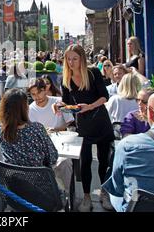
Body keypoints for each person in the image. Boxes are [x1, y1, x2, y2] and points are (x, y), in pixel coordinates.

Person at [102, 90, 154, 212]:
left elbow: (117, 188)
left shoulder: (127, 145)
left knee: (114, 195)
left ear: (150, 114)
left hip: (139, 207)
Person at [52, 45, 114, 212]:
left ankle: (104, 193)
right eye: (68, 59)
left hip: (100, 120)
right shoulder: (66, 78)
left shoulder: (93, 72)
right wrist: (59, 105)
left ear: (82, 59)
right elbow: (66, 102)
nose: (71, 62)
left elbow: (104, 96)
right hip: (83, 124)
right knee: (85, 162)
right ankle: (87, 197)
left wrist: (90, 106)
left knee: (104, 161)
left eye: (75, 59)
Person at [28, 78, 74, 193]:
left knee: (65, 162)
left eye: (38, 93)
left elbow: (71, 123)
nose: (36, 97)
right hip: (40, 149)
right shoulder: (30, 109)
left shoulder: (58, 102)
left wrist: (56, 129)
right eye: (33, 94)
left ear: (45, 90)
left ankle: (66, 195)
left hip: (61, 144)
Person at [0, 88, 58, 168]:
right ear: (25, 107)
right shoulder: (36, 129)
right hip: (38, 179)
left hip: (11, 179)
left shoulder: (0, 130)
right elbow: (53, 157)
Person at [105, 73, 141, 138]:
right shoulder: (141, 101)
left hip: (118, 135)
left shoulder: (114, 99)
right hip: (137, 134)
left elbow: (106, 117)